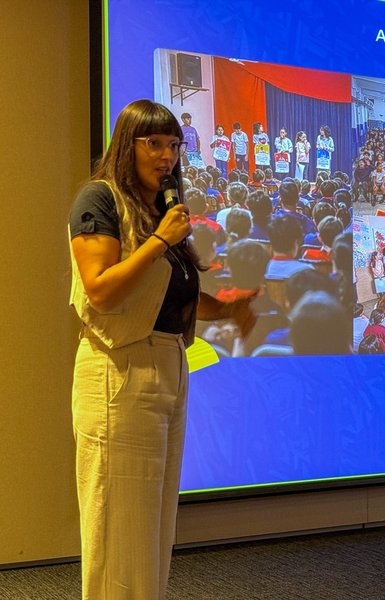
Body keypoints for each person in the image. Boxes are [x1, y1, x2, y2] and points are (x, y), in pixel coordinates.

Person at [68, 99, 255, 599]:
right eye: (155, 143)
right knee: (120, 526)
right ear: (127, 144)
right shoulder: (100, 199)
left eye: (173, 145)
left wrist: (230, 310)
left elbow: (169, 298)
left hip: (169, 364)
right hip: (119, 370)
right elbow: (101, 290)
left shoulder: (160, 210)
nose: (167, 155)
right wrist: (157, 240)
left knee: (153, 525)